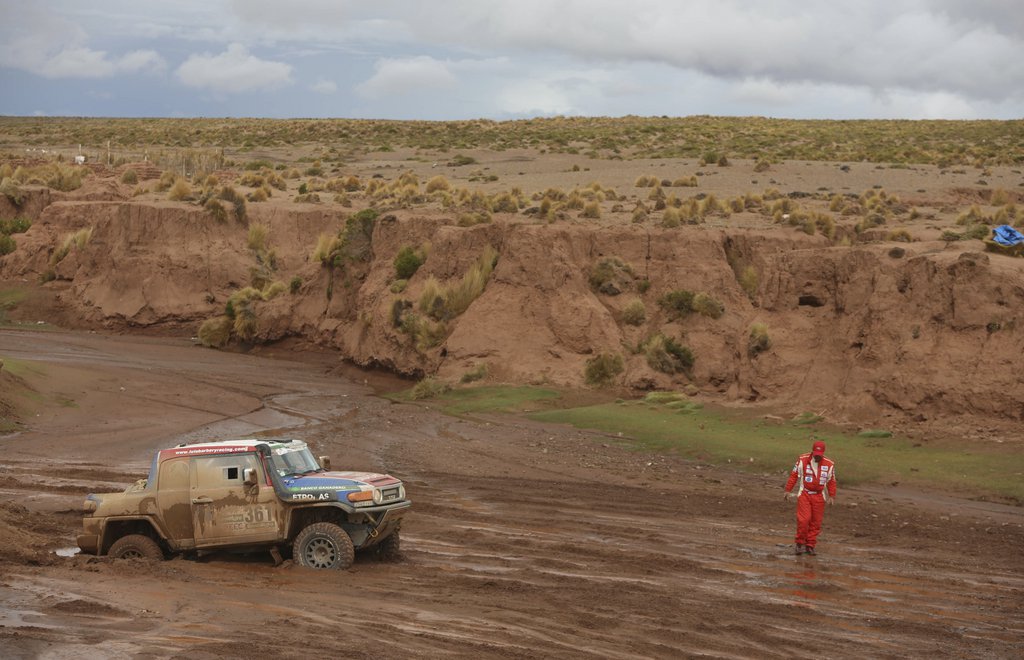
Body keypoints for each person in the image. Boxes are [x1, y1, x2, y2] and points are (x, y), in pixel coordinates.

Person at [783, 439, 836, 555]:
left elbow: (831, 481)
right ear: (812, 452)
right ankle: (799, 544)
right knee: (804, 520)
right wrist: (788, 490)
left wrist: (832, 496)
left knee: (816, 522)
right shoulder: (802, 460)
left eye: (819, 455)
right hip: (805, 494)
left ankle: (810, 545)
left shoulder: (829, 464)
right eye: (816, 455)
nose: (817, 457)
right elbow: (794, 475)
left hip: (819, 496)